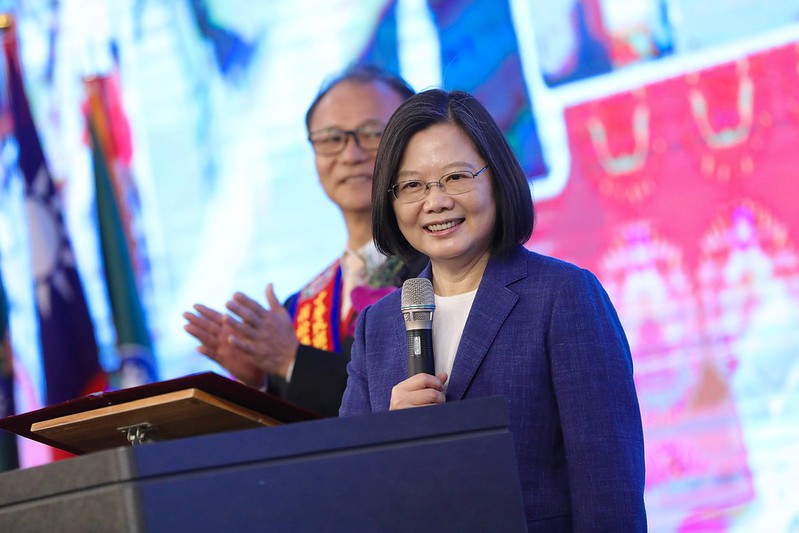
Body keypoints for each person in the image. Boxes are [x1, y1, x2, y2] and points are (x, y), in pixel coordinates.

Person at [339, 89, 647, 530]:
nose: (435, 201)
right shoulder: (378, 327)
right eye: (412, 186)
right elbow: (348, 495)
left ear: (497, 180)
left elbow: (608, 489)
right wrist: (391, 438)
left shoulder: (563, 295)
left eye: (456, 177)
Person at [183, 65, 424, 417]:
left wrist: (291, 360)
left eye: (372, 133)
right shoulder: (298, 308)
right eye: (331, 139)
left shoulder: (441, 269)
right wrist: (262, 381)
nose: (350, 154)